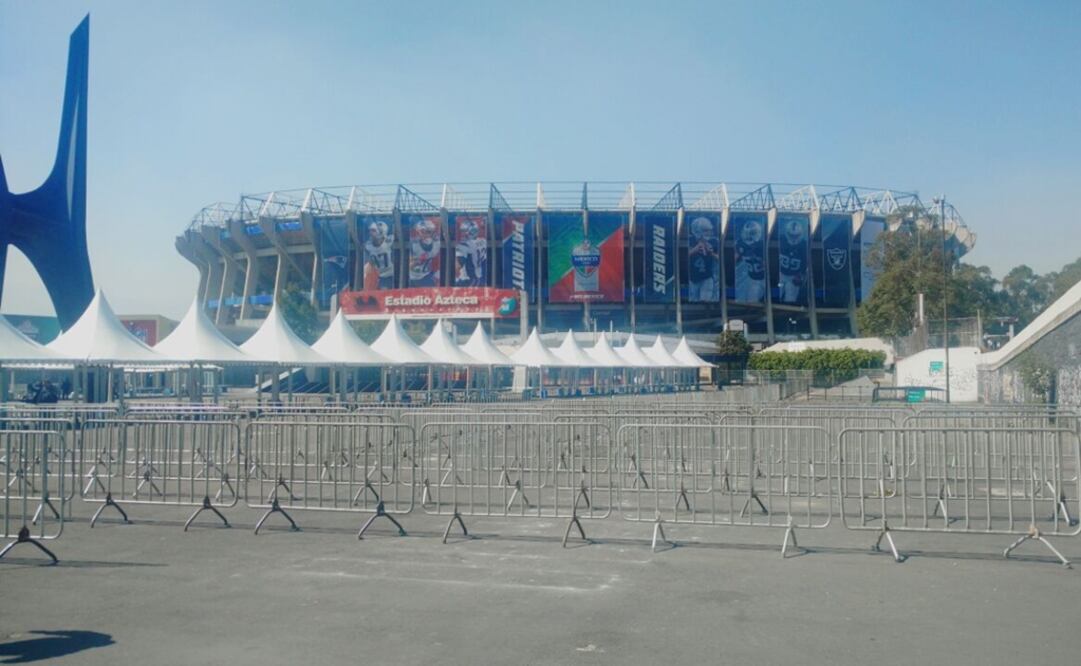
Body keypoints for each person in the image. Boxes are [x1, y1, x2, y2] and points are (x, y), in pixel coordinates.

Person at [687, 216, 719, 301]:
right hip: (693, 276)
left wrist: (711, 253)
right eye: (705, 230)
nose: (708, 233)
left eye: (709, 230)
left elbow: (721, 259)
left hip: (707, 276)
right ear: (697, 231)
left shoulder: (714, 241)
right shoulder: (690, 240)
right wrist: (695, 249)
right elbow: (682, 257)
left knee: (706, 300)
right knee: (694, 300)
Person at [734, 219, 766, 302]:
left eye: (751, 234)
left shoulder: (761, 246)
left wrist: (757, 258)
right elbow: (735, 260)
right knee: (744, 299)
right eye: (747, 233)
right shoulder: (740, 244)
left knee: (752, 300)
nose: (748, 236)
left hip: (762, 279)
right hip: (750, 278)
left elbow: (767, 265)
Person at [777, 218, 807, 304]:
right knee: (776, 296)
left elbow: (806, 264)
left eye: (796, 236)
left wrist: (801, 275)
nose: (793, 238)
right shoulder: (781, 240)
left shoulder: (804, 246)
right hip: (781, 274)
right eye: (791, 235)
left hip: (793, 276)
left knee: (790, 299)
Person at [454, 217, 487, 287]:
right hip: (479, 279)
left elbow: (457, 266)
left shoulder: (464, 245)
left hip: (467, 280)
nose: (462, 233)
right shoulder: (483, 241)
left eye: (464, 231)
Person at [409, 218, 441, 287]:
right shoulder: (413, 244)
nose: (425, 234)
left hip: (427, 275)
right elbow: (408, 265)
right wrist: (418, 261)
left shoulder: (437, 244)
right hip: (412, 277)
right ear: (418, 232)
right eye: (423, 232)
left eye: (428, 232)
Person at [364, 220, 395, 289]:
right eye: (370, 231)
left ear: (381, 232)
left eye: (373, 231)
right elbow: (370, 262)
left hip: (391, 273)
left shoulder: (389, 241)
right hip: (380, 276)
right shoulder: (368, 246)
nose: (370, 233)